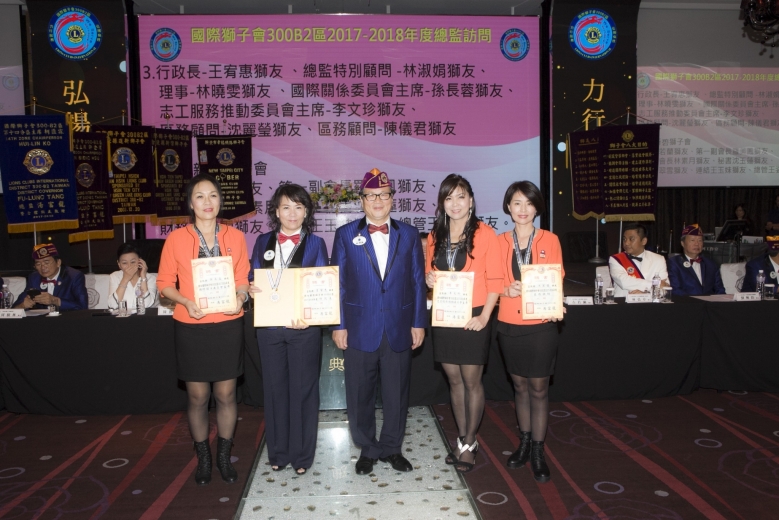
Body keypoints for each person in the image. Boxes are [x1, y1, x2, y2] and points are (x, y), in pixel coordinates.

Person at [330, 168, 427, 476]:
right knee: (360, 393)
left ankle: (392, 448)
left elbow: (417, 281)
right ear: (362, 200)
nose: (378, 201)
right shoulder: (345, 235)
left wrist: (418, 322)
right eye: (371, 196)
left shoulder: (408, 234)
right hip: (359, 327)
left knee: (397, 392)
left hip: (399, 325)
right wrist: (339, 325)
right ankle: (368, 449)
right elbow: (338, 284)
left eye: (384, 195)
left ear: (392, 199)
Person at [156, 173, 250, 486]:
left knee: (226, 393)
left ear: (220, 200)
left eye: (213, 195)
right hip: (191, 324)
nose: (207, 202)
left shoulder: (235, 236)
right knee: (197, 396)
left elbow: (242, 278)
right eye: (200, 196)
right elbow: (164, 283)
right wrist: (184, 300)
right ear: (190, 203)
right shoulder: (176, 238)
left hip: (227, 323)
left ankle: (223, 455)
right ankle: (204, 458)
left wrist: (240, 297)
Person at [248, 184, 328, 475]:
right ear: (276, 211)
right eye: (286, 207)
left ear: (306, 212)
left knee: (304, 390)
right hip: (269, 329)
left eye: (298, 207)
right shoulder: (263, 241)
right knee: (274, 390)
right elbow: (253, 275)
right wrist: (252, 288)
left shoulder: (316, 243)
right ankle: (278, 452)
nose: (292, 213)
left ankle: (302, 455)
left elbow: (321, 285)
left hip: (303, 329)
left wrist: (311, 316)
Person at [424, 174, 501, 474]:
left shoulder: (485, 233)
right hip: (445, 314)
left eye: (460, 196)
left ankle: (470, 442)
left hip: (474, 315)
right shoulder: (436, 234)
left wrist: (484, 317)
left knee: (471, 381)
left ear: (471, 200)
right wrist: (430, 279)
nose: (455, 203)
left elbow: (495, 280)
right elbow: (431, 273)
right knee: (454, 380)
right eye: (448, 198)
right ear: (442, 203)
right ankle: (461, 437)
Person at [496, 181, 564, 484]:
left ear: (537, 208)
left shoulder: (551, 239)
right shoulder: (499, 241)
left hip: (541, 323)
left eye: (529, 203)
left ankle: (538, 450)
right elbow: (490, 279)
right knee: (519, 386)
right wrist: (504, 289)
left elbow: (557, 277)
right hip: (509, 323)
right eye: (517, 203)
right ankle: (523, 443)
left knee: (538, 388)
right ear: (508, 207)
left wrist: (555, 302)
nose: (523, 209)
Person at [13, 243, 88, 311]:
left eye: (46, 262)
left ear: (58, 262)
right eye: (38, 264)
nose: (43, 267)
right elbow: (14, 308)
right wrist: (23, 305)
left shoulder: (74, 276)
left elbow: (83, 306)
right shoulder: (34, 278)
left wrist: (55, 301)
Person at [608, 224, 669, 298]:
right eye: (624, 239)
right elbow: (624, 282)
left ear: (643, 241)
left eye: (631, 239)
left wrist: (646, 294)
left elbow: (665, 288)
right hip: (623, 302)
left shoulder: (658, 259)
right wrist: (654, 285)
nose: (626, 243)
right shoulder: (616, 259)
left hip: (651, 303)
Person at [667, 224, 726, 297]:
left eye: (700, 240)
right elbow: (675, 289)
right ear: (683, 243)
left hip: (709, 303)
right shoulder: (674, 263)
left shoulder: (711, 264)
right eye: (692, 240)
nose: (697, 244)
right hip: (686, 302)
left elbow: (720, 290)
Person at [107, 243, 158, 312]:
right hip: (122, 317)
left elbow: (146, 304)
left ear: (140, 261)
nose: (129, 266)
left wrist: (143, 277)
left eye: (133, 262)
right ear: (119, 264)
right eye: (124, 263)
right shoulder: (115, 276)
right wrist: (125, 279)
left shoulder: (151, 278)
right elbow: (112, 305)